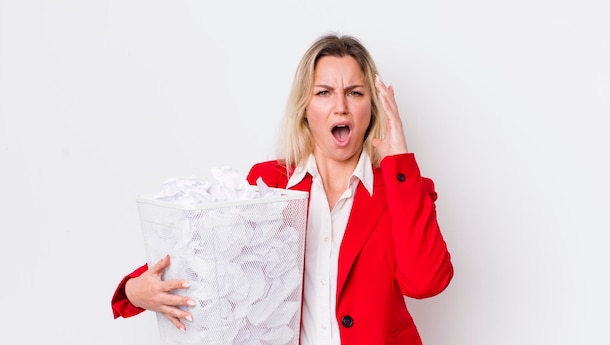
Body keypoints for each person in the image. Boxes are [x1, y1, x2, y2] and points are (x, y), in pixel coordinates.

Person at [112, 33, 453, 345]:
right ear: (305, 108)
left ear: (372, 107)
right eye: (324, 93)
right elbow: (211, 252)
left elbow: (425, 282)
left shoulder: (402, 188)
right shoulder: (269, 183)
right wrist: (134, 289)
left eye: (355, 92)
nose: (341, 106)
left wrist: (399, 159)